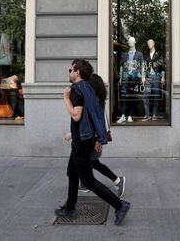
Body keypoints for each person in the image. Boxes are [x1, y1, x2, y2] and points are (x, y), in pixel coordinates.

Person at [55, 59, 130, 225]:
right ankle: (70, 207)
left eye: (70, 70)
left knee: (88, 181)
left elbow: (76, 115)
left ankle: (120, 205)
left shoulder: (76, 90)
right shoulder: (88, 88)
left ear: (77, 72)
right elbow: (95, 113)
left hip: (81, 142)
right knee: (72, 173)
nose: (69, 72)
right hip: (85, 139)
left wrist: (66, 98)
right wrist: (97, 137)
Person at [63, 74, 126, 197]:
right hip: (88, 139)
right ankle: (113, 181)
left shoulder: (94, 102)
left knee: (90, 164)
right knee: (89, 163)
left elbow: (99, 123)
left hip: (91, 140)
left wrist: (98, 140)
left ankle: (117, 184)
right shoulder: (94, 100)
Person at [117, 36, 144, 123]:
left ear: (135, 42)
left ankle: (130, 115)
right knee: (124, 96)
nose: (131, 42)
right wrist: (120, 77)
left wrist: (143, 77)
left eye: (132, 41)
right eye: (129, 41)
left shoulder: (139, 54)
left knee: (133, 96)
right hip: (125, 78)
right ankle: (123, 115)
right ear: (128, 43)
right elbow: (121, 66)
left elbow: (142, 66)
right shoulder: (124, 55)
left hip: (135, 78)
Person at [142, 39, 165, 121]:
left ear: (154, 43)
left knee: (156, 95)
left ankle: (154, 114)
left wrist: (163, 77)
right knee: (145, 95)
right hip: (148, 77)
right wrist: (143, 76)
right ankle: (147, 114)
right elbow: (144, 66)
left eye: (151, 43)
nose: (149, 44)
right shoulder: (146, 55)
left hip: (156, 76)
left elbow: (162, 67)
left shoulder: (159, 54)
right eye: (148, 43)